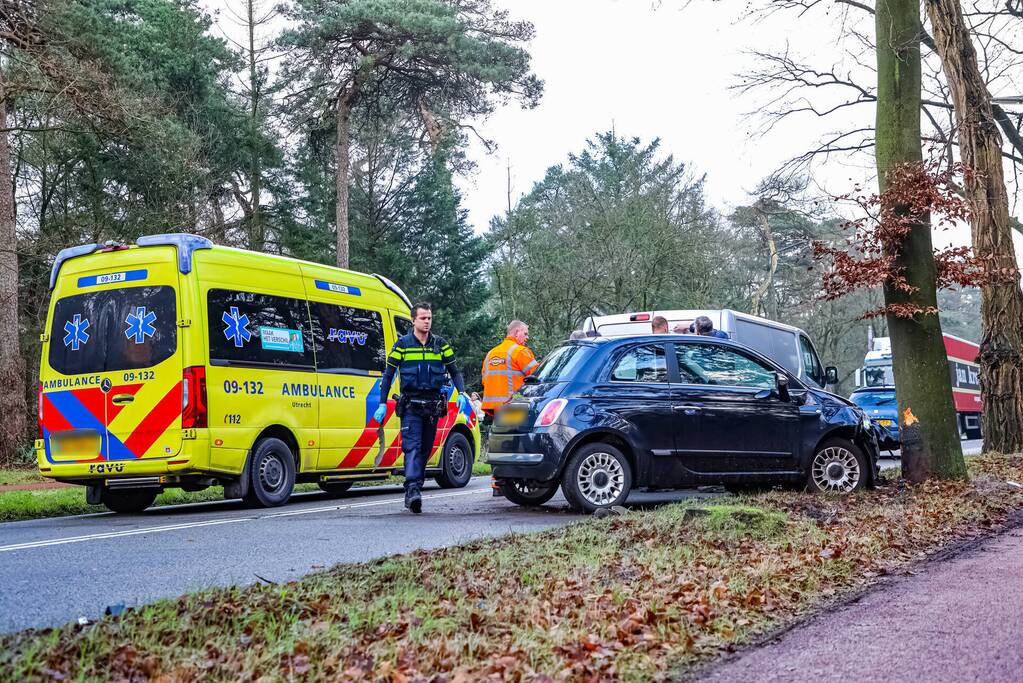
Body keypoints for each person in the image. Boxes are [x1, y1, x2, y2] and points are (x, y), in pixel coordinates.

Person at [374, 302, 465, 513]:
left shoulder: (440, 345)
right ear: (413, 320)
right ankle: (413, 491)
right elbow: (388, 375)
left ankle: (415, 486)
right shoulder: (402, 345)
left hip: (432, 408)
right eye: (423, 318)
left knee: (425, 449)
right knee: (412, 448)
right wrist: (381, 403)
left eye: (429, 318)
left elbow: (455, 371)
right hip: (411, 407)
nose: (427, 321)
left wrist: (461, 393)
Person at [480, 320, 539, 420]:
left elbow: (484, 381)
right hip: (515, 407)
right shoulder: (520, 351)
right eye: (525, 334)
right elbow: (538, 376)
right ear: (516, 332)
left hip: (494, 411)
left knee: (502, 435)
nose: (527, 337)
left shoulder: (490, 354)